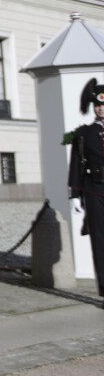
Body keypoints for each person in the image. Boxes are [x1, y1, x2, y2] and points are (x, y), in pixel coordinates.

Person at [68, 78, 104, 296]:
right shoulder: (84, 134)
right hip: (94, 190)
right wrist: (74, 194)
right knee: (100, 241)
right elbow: (76, 164)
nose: (101, 109)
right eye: (98, 105)